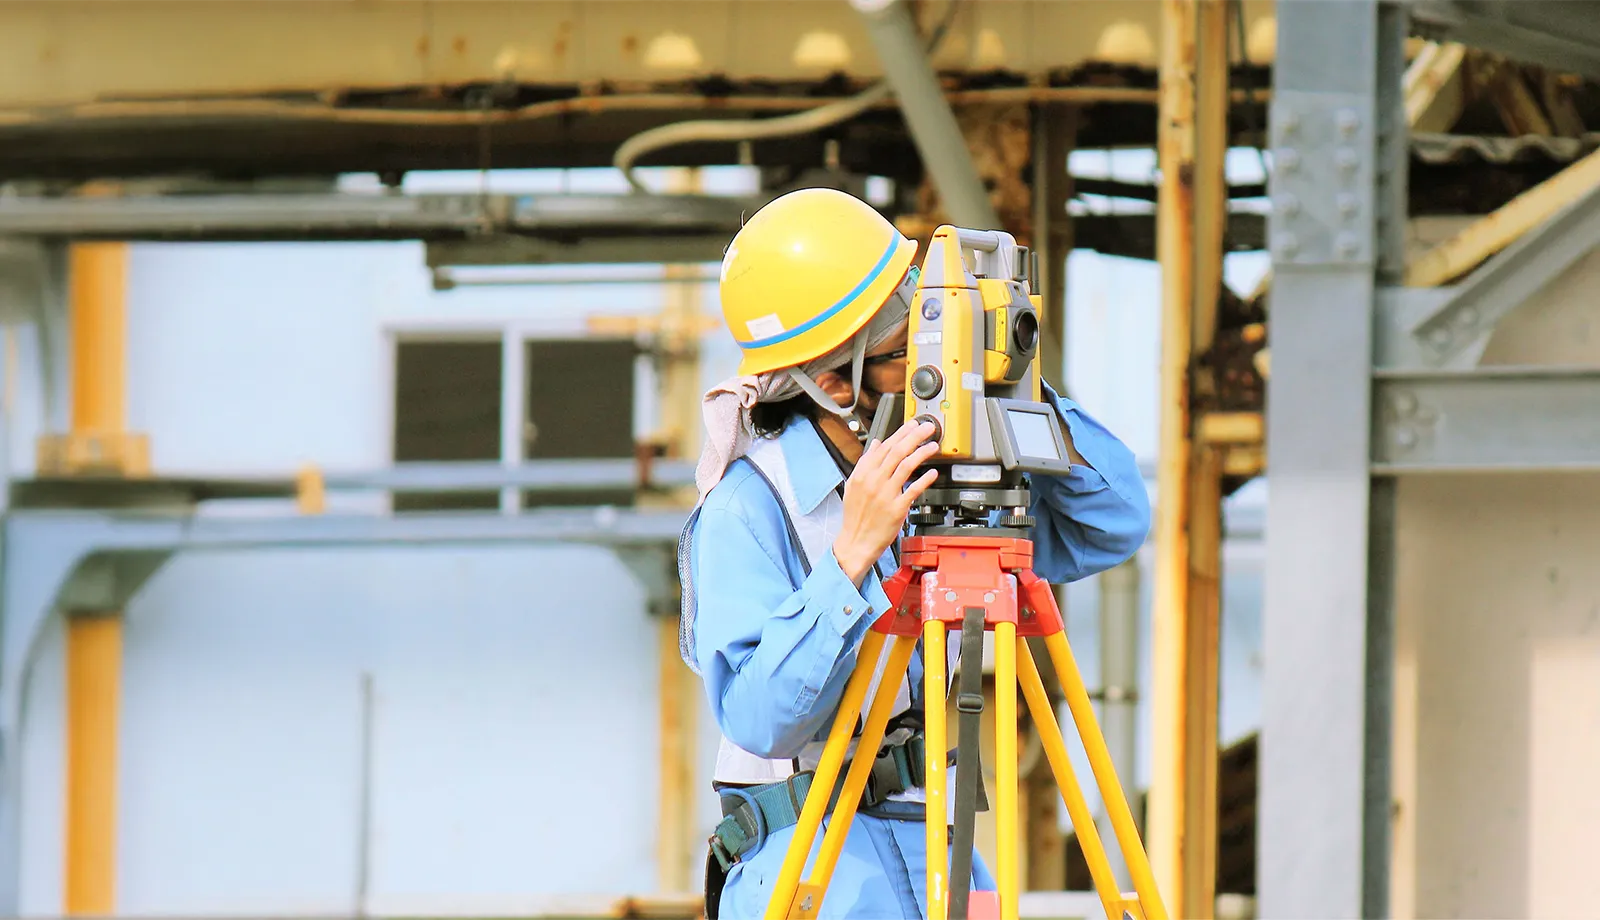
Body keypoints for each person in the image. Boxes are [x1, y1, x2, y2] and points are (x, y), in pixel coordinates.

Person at [677, 187, 1150, 920]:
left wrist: (1008, 384)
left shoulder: (940, 469)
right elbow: (759, 717)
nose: (938, 355)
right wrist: (850, 559)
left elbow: (1112, 522)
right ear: (835, 384)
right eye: (915, 347)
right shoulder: (748, 505)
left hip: (942, 845)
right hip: (815, 865)